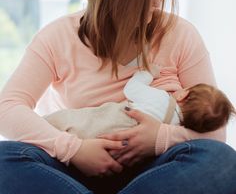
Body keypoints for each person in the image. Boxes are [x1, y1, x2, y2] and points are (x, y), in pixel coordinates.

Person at [0, 0, 235, 194]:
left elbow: (216, 133)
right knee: (3, 161)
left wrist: (160, 138)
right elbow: (8, 107)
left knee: (223, 165)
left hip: (155, 173)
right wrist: (76, 150)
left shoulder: (181, 35)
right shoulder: (58, 36)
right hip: (77, 172)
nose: (157, 4)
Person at [44, 70, 236, 139]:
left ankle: (41, 124)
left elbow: (132, 89)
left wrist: (147, 72)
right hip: (113, 146)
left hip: (108, 120)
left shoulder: (161, 98)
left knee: (66, 120)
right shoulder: (174, 129)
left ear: (182, 95)